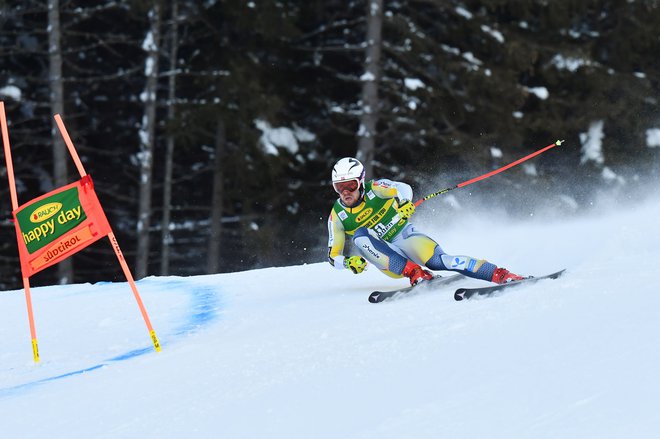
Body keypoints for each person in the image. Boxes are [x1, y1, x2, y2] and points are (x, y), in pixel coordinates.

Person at [326, 157, 525, 286]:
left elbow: (402, 188)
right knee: (361, 235)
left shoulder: (375, 188)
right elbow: (332, 256)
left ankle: (500, 274)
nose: (345, 192)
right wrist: (348, 262)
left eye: (350, 185)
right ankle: (415, 273)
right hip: (388, 260)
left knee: (441, 261)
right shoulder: (337, 216)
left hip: (405, 237)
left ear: (360, 182)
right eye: (339, 187)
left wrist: (403, 202)